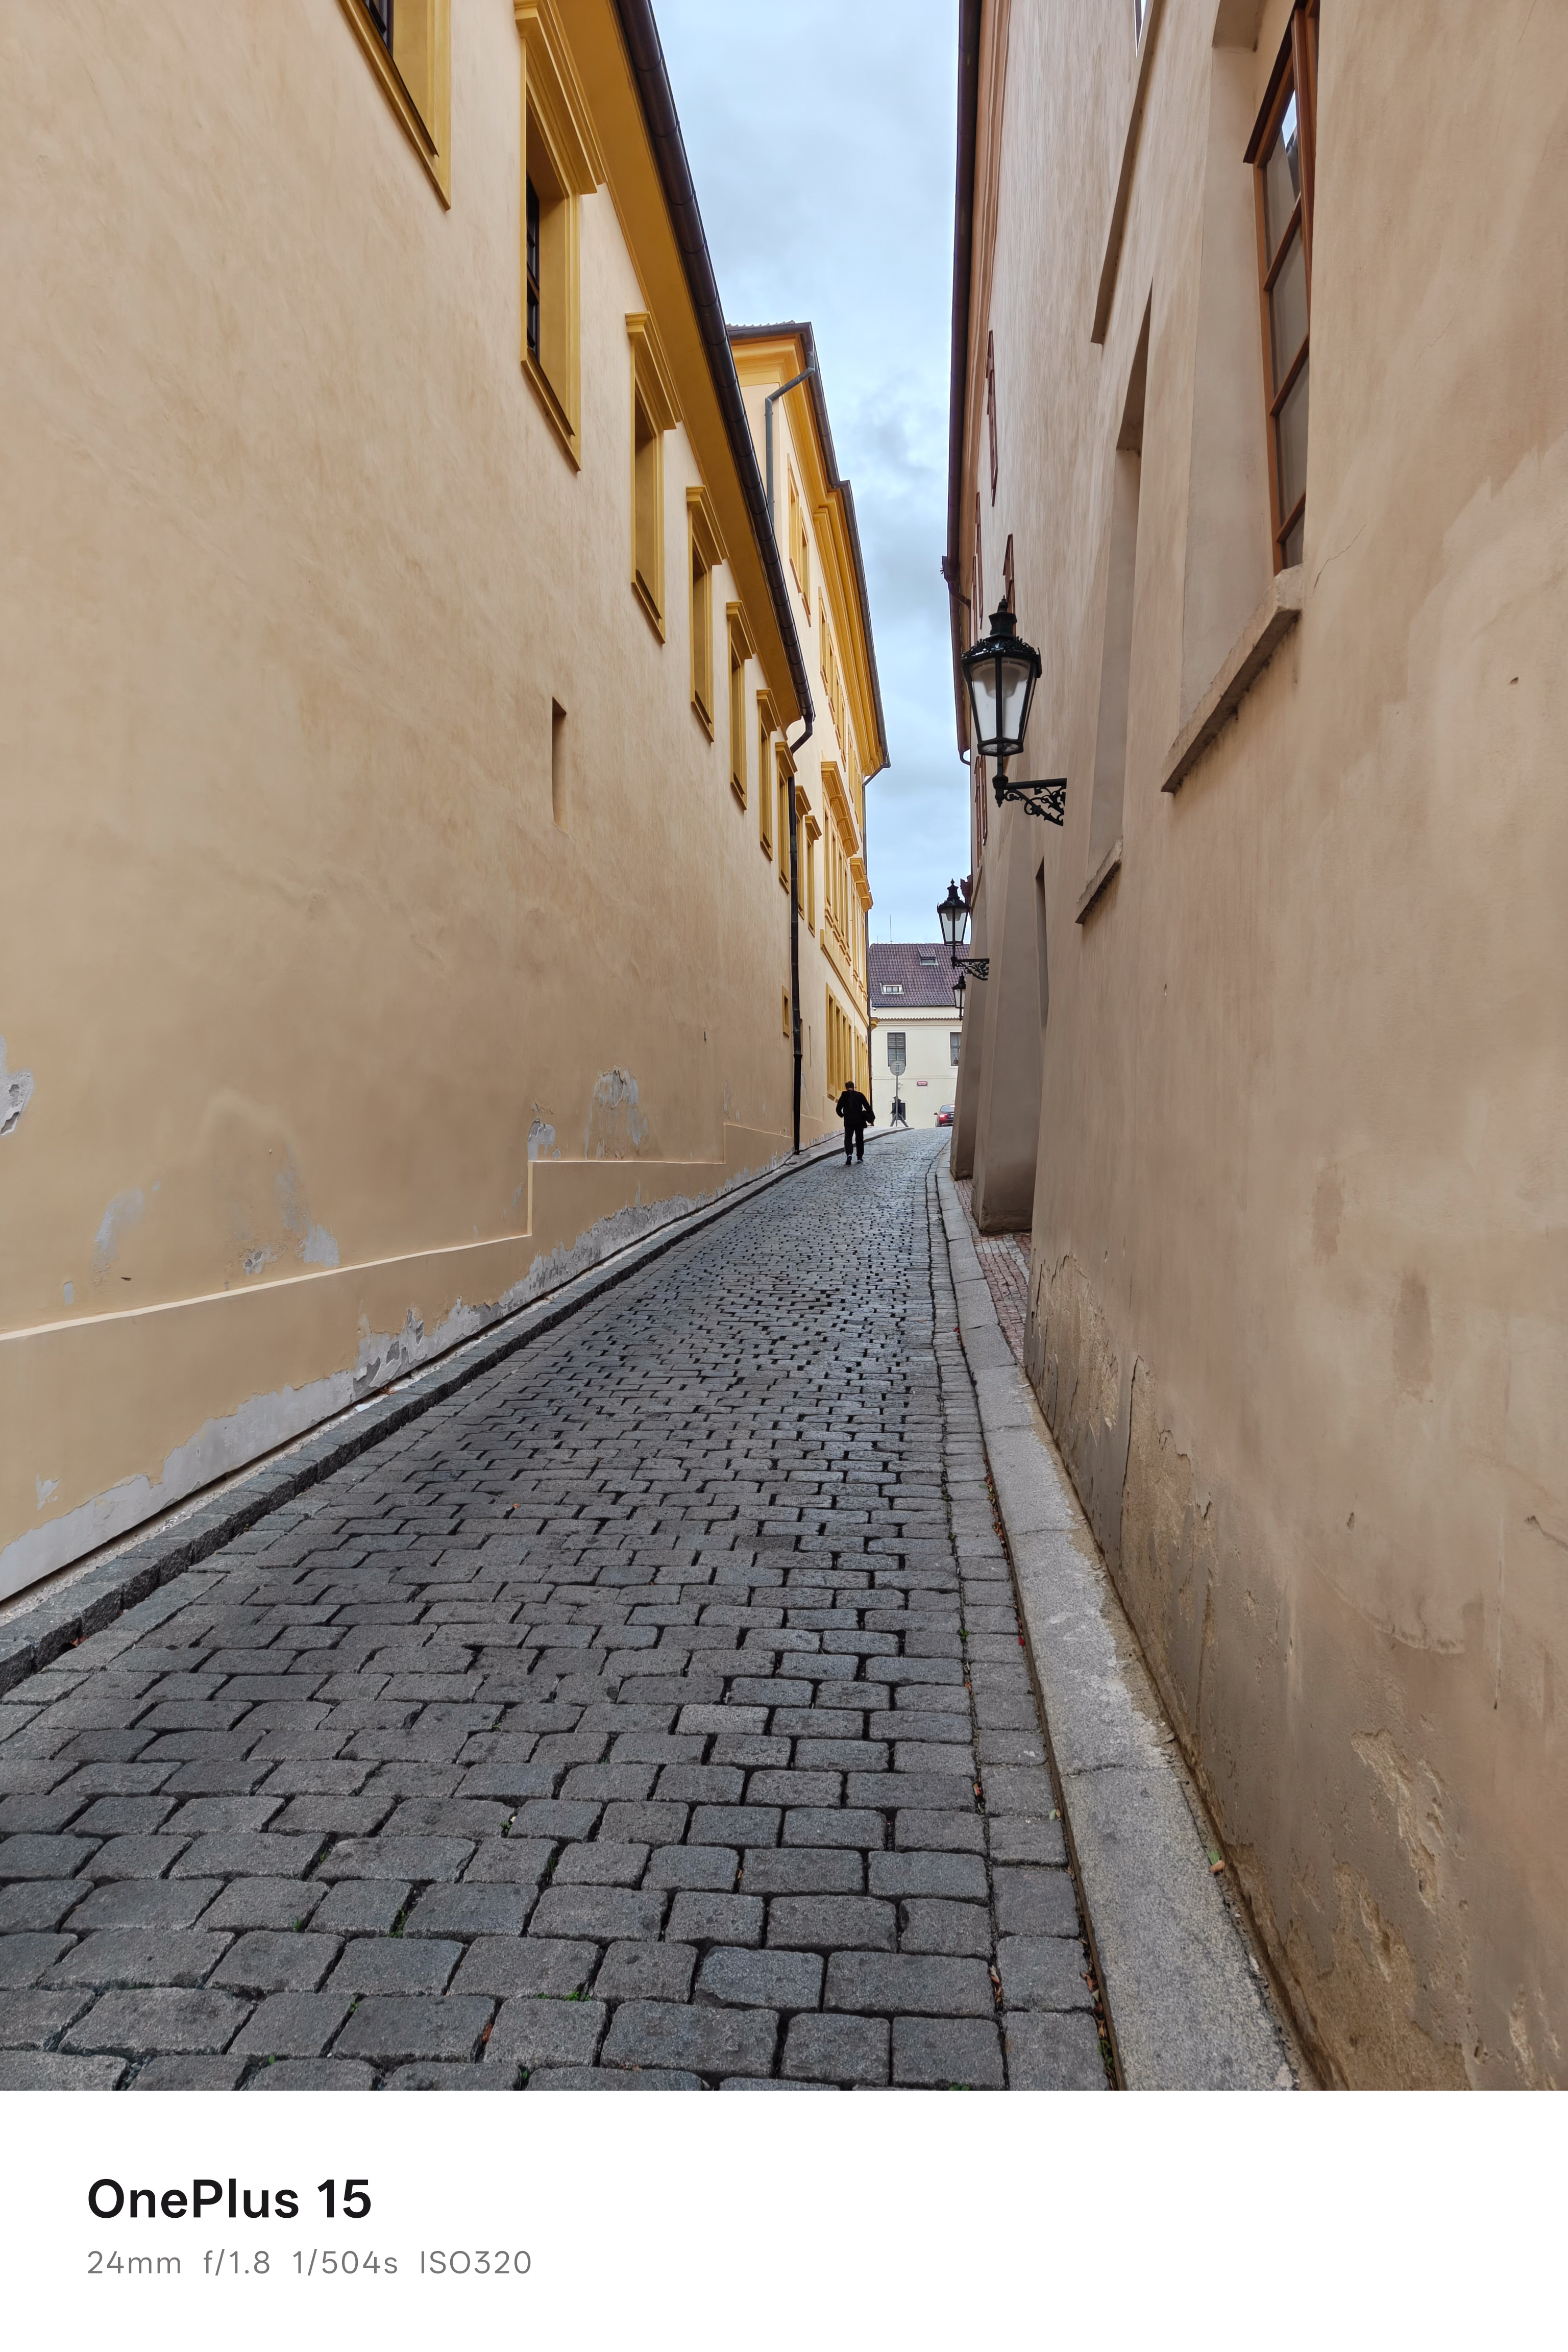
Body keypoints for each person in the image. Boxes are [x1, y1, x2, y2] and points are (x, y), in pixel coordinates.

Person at [835, 1081, 874, 1164]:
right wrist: (870, 1116)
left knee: (848, 1138)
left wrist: (843, 1115)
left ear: (846, 1088)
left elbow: (838, 1109)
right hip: (859, 1120)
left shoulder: (844, 1096)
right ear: (854, 1087)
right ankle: (859, 1157)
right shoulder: (860, 1095)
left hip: (848, 1121)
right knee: (859, 1138)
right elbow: (868, 1107)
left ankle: (849, 1154)